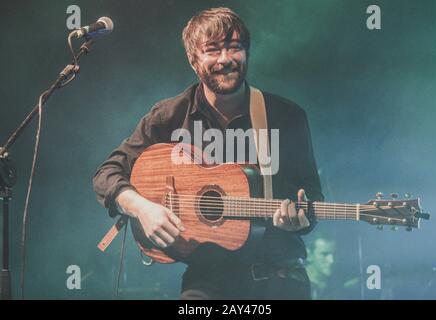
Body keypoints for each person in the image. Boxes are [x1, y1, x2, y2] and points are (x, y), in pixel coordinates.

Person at [93, 7, 323, 299]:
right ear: (193, 60)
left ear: (247, 54)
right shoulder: (169, 116)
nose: (225, 59)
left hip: (279, 275)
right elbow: (106, 175)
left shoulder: (286, 116)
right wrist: (143, 208)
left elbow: (312, 196)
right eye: (212, 50)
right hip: (206, 280)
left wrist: (301, 219)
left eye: (235, 48)